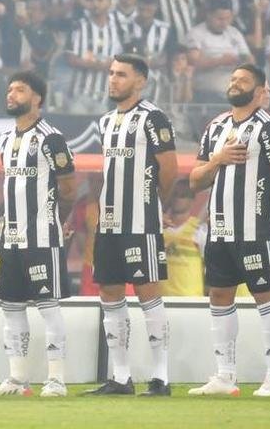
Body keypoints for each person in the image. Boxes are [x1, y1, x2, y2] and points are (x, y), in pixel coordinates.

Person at [188, 64, 270, 397]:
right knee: (219, 296)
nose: (235, 83)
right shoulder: (215, 127)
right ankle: (225, 376)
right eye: (233, 79)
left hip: (256, 229)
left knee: (266, 297)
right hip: (219, 231)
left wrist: (260, 205)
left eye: (243, 80)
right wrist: (217, 160)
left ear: (259, 91)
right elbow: (195, 180)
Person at [86, 53, 178, 397]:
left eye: (121, 74)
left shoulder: (153, 118)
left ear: (140, 81)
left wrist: (155, 205)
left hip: (141, 221)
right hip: (109, 222)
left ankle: (161, 377)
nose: (112, 79)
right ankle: (121, 377)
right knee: (109, 292)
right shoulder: (106, 121)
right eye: (111, 73)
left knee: (147, 291)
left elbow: (169, 171)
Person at [0, 71, 77, 398]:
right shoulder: (5, 138)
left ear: (37, 98)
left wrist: (55, 222)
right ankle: (17, 379)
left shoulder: (51, 138)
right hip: (10, 240)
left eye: (19, 90)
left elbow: (69, 189)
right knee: (11, 306)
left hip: (42, 238)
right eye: (9, 89)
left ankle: (57, 380)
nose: (11, 94)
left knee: (48, 306)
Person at [162, 181, 206, 297]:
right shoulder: (158, 228)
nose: (178, 199)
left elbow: (210, 267)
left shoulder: (199, 229)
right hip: (162, 298)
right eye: (175, 194)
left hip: (191, 299)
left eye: (183, 195)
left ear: (192, 200)